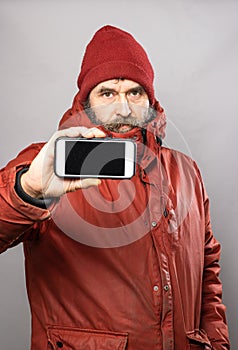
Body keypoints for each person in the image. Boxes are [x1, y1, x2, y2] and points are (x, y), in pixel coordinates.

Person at [0, 25, 230, 350]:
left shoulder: (185, 170)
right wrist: (27, 191)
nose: (123, 108)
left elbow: (208, 266)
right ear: (87, 101)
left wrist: (216, 343)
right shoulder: (46, 163)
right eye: (107, 93)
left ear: (149, 99)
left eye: (134, 93)